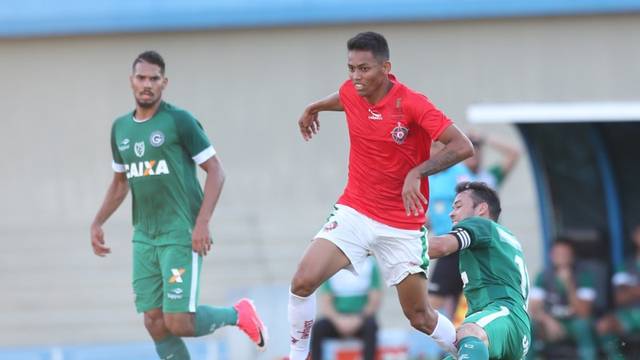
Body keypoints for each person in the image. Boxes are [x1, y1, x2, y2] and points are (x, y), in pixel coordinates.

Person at [288, 31, 474, 360]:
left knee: (419, 316)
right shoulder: (351, 91)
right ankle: (298, 356)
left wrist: (417, 172)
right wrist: (313, 107)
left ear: (385, 67)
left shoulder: (413, 103)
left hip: (401, 223)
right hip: (354, 211)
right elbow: (343, 97)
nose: (356, 78)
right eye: (351, 69)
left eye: (365, 69)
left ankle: (472, 352)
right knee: (302, 282)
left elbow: (462, 146)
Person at [90, 51, 267, 360]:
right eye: (141, 78)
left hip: (180, 232)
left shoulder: (178, 121)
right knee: (154, 321)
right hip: (145, 236)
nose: (147, 84)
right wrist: (98, 221)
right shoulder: (120, 129)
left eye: (154, 79)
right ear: (132, 81)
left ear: (164, 83)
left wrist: (201, 223)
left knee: (179, 321)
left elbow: (216, 170)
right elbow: (121, 183)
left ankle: (238, 314)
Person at [428, 181, 532, 360]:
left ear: (481, 209)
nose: (451, 213)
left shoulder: (480, 225)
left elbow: (441, 247)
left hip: (502, 314)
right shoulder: (500, 238)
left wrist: (391, 244)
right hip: (507, 326)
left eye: (458, 206)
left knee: (468, 331)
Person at [428, 135, 520, 318]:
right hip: (454, 244)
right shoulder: (438, 179)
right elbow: (434, 216)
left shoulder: (469, 177)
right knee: (451, 304)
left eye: (438, 146)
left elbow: (513, 154)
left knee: (435, 304)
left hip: (464, 243)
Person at [528, 240, 597, 360]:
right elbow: (533, 308)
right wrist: (548, 320)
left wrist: (569, 284)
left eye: (565, 254)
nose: (561, 257)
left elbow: (583, 313)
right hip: (551, 323)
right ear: (551, 256)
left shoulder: (584, 276)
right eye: (557, 254)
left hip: (574, 323)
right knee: (529, 326)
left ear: (572, 256)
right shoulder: (543, 276)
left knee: (583, 326)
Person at [311, 257, 382, 360]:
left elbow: (374, 299)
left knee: (371, 326)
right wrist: (338, 320)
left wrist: (359, 318)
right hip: (337, 320)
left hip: (361, 319)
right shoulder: (330, 266)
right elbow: (326, 302)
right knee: (318, 328)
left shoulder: (370, 264)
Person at [596, 224, 640, 359]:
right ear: (635, 237)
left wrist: (632, 290)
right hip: (631, 314)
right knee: (604, 325)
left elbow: (627, 293)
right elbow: (620, 297)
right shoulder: (626, 266)